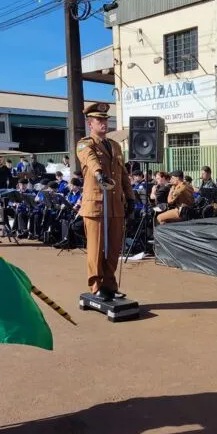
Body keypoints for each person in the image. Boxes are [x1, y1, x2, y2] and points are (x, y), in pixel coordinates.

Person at [76, 102, 135, 301]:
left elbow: (123, 174)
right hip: (96, 204)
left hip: (116, 204)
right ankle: (96, 285)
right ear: (90, 123)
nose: (103, 123)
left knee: (114, 247)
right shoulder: (85, 144)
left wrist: (131, 197)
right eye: (99, 120)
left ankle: (110, 285)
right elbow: (90, 159)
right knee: (96, 246)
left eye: (105, 120)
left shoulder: (116, 146)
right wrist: (100, 174)